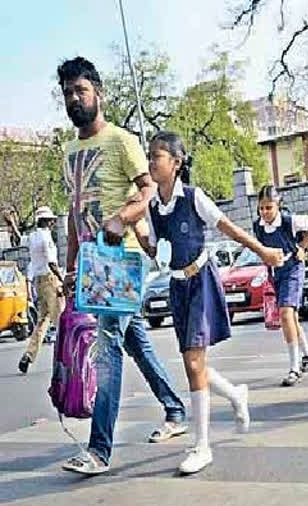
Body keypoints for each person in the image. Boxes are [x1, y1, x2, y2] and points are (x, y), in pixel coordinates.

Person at [56, 57, 187, 475]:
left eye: (81, 90)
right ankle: (175, 409)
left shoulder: (121, 141)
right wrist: (71, 265)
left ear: (99, 93)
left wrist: (122, 219)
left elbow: (148, 189)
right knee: (135, 343)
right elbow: (75, 213)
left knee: (108, 350)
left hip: (121, 260)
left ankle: (99, 451)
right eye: (68, 93)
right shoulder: (69, 151)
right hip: (91, 265)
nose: (75, 99)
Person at [136, 131, 284, 474]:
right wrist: (140, 237)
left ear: (176, 163)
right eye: (150, 155)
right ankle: (235, 395)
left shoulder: (194, 196)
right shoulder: (154, 207)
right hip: (177, 287)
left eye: (157, 156)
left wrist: (262, 252)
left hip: (201, 280)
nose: (151, 162)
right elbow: (159, 251)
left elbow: (228, 227)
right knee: (194, 364)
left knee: (193, 363)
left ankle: (202, 446)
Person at [253, 185, 308, 387]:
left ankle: (294, 367)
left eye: (269, 208)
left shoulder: (289, 221)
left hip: (293, 268)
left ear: (278, 206)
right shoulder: (258, 226)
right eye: (262, 208)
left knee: (285, 313)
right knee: (290, 317)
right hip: (276, 272)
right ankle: (307, 352)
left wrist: (302, 247)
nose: (265, 212)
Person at [18, 207, 64, 374]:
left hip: (39, 281)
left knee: (42, 322)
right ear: (46, 221)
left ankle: (29, 355)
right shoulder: (46, 238)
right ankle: (64, 359)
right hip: (50, 279)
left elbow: (19, 240)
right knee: (61, 321)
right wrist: (62, 279)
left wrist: (12, 225)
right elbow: (52, 262)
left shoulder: (32, 237)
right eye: (51, 220)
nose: (53, 222)